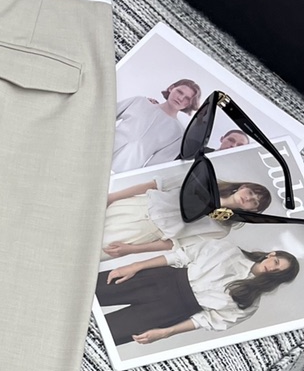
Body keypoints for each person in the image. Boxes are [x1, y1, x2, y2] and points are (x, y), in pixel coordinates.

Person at [95, 239, 299, 346]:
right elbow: (179, 256)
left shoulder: (250, 302)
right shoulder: (227, 249)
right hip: (157, 279)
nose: (272, 268)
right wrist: (135, 266)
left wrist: (166, 332)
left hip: (171, 310)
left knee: (105, 335)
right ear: (271, 254)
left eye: (278, 272)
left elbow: (206, 321)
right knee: (91, 290)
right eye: (276, 262)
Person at [101, 178, 273, 257]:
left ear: (253, 211)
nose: (249, 198)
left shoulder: (221, 229)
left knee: (94, 250)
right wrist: (111, 197)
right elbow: (155, 185)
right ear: (243, 186)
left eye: (254, 202)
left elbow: (174, 243)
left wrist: (131, 250)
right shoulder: (205, 179)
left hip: (143, 234)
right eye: (251, 192)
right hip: (134, 207)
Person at [112, 78, 201, 171]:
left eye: (187, 98)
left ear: (189, 104)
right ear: (171, 88)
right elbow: (106, 115)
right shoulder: (139, 102)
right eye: (179, 92)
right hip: (104, 148)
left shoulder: (178, 134)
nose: (180, 98)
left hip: (124, 169)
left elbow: (155, 165)